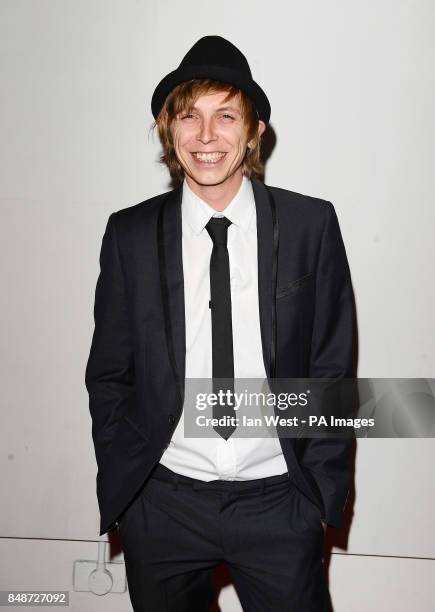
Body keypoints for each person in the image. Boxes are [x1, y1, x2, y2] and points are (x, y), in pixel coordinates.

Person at [85, 35, 356, 611]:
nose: (206, 137)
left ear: (256, 131)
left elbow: (332, 365)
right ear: (169, 130)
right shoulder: (129, 235)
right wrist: (131, 495)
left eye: (225, 115)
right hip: (162, 505)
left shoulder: (311, 225)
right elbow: (110, 373)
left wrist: (319, 495)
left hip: (281, 501)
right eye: (190, 116)